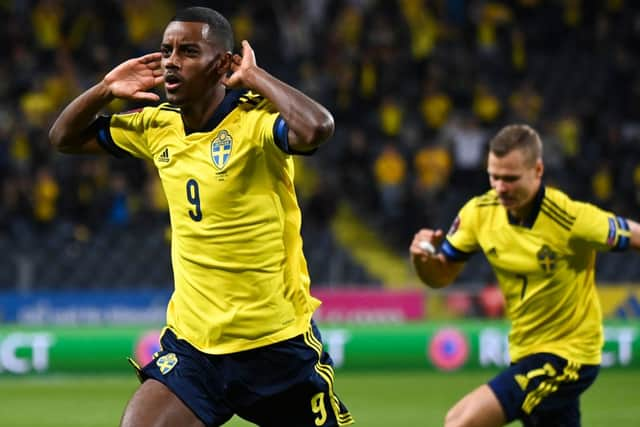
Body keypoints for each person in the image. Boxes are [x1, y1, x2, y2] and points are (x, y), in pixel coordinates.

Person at [49, 7, 353, 427]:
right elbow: (63, 138)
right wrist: (105, 89)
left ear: (223, 64)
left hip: (275, 346)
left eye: (188, 51)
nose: (172, 60)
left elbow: (317, 128)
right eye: (166, 50)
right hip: (195, 348)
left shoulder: (255, 123)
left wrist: (255, 77)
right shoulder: (158, 125)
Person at [409, 124, 640, 427]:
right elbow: (439, 277)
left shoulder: (570, 218)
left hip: (568, 357)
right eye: (494, 176)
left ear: (538, 170)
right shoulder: (479, 214)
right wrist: (421, 260)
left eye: (511, 178)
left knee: (460, 421)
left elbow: (635, 234)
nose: (501, 187)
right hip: (524, 351)